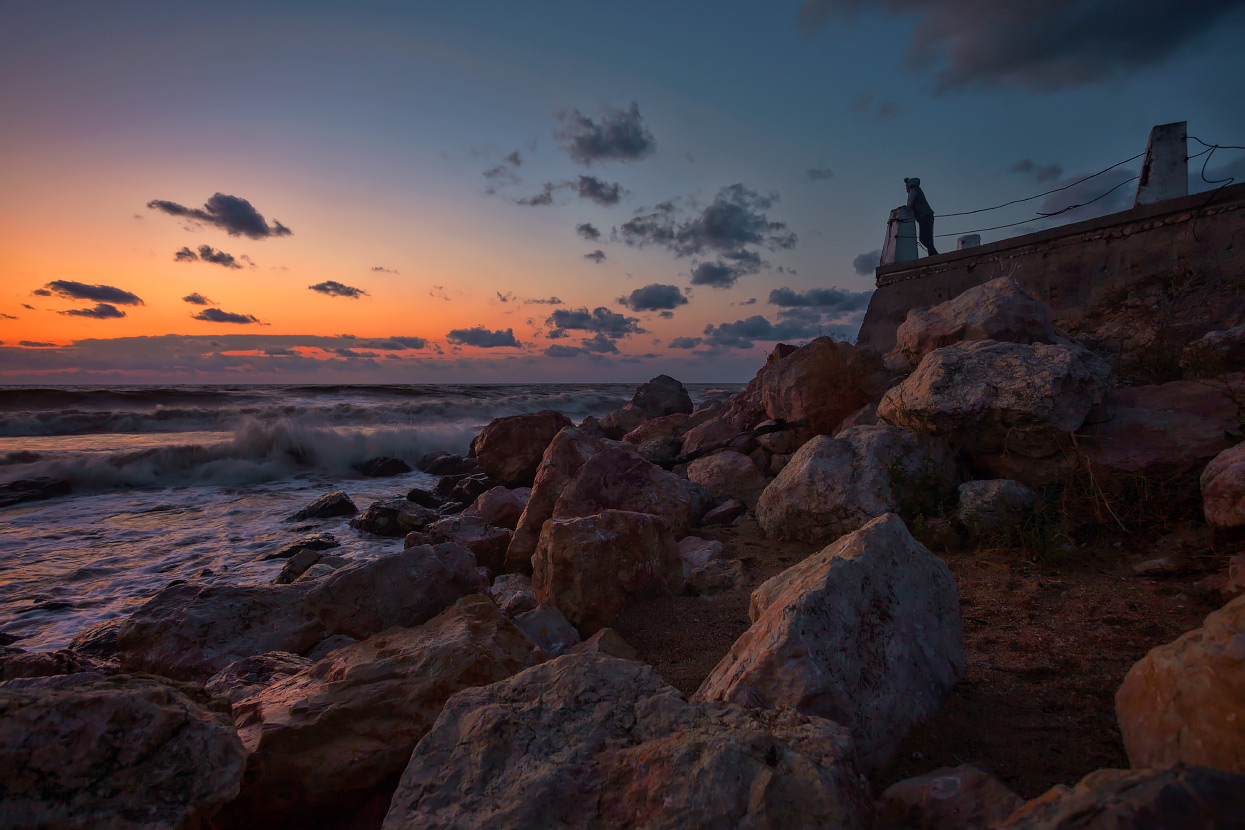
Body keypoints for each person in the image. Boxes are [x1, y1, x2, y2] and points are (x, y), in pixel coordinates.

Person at [905, 177, 938, 256]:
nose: (905, 189)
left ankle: (934, 255)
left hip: (925, 216)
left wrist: (906, 209)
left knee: (924, 238)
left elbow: (909, 204)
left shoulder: (913, 190)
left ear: (909, 185)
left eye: (906, 186)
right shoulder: (916, 189)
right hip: (926, 216)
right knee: (927, 239)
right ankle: (933, 255)